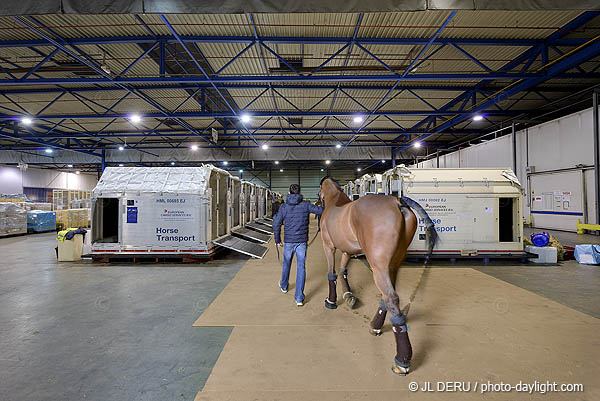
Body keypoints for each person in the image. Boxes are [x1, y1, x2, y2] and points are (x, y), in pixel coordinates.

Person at [272, 184, 323, 306]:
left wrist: (277, 239)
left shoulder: (284, 206)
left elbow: (276, 223)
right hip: (301, 242)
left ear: (289, 192)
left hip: (288, 241)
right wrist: (323, 200)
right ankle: (299, 298)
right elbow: (321, 210)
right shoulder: (306, 204)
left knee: (286, 264)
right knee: (301, 267)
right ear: (300, 192)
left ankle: (284, 286)